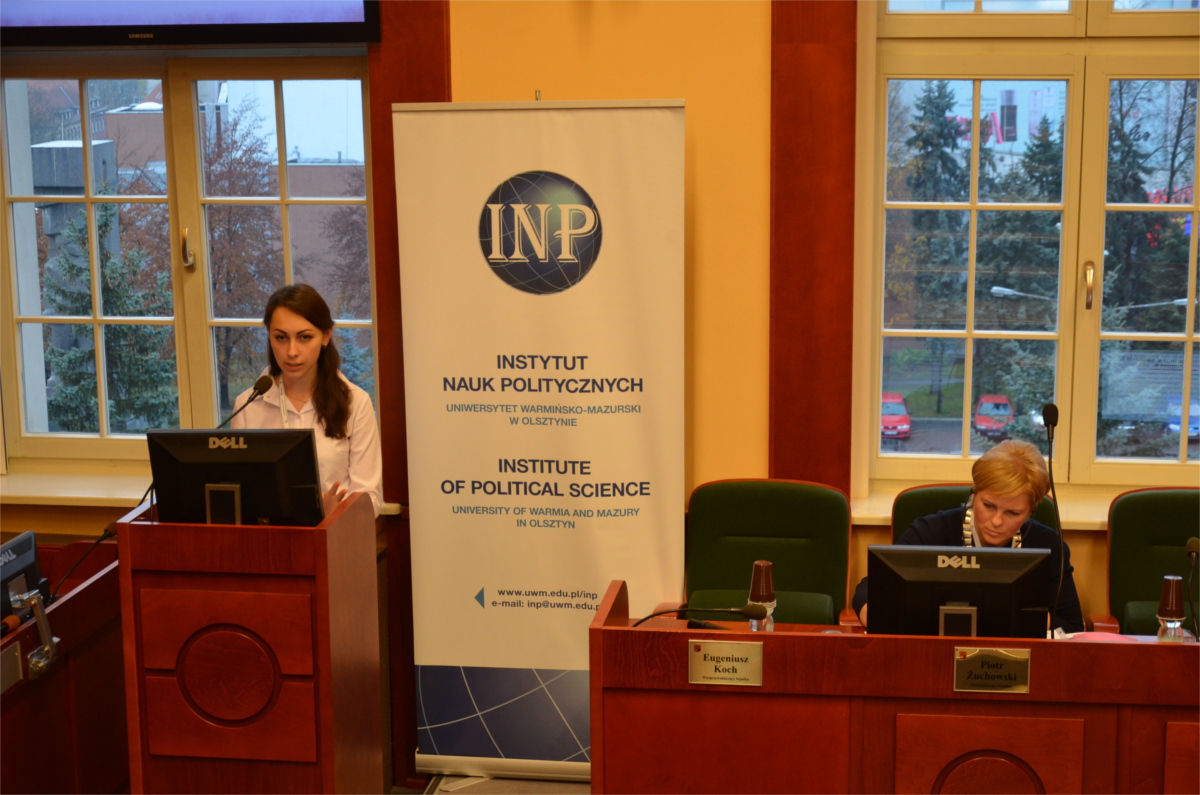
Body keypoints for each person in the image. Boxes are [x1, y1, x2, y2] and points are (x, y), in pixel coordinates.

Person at [853, 439, 1084, 634]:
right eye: (988, 505)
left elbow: (1071, 626)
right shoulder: (932, 531)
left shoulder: (1049, 545)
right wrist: (877, 615)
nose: (997, 521)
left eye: (1013, 513)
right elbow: (868, 589)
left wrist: (1017, 616)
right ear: (974, 493)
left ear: (1032, 510)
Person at [231, 284, 383, 518]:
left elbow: (370, 498)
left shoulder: (356, 403)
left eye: (305, 337)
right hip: (271, 536)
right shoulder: (248, 405)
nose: (292, 351)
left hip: (336, 535)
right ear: (269, 336)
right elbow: (240, 494)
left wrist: (337, 512)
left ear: (326, 336)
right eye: (281, 337)